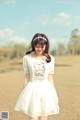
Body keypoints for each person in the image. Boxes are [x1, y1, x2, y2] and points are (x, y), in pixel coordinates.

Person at [14, 33, 59, 120]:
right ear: (33, 45)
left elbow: (50, 78)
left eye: (42, 46)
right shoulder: (27, 58)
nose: (39, 49)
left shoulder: (51, 58)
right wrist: (23, 93)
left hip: (46, 90)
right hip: (32, 89)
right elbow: (27, 77)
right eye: (37, 46)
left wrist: (55, 94)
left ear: (46, 46)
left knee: (44, 116)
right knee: (33, 117)